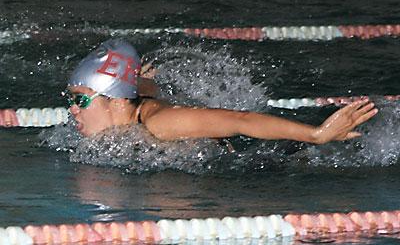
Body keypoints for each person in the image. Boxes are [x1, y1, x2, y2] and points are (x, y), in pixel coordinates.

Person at [65, 39, 378, 145]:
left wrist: (317, 135)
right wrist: (148, 82)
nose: (72, 110)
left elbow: (241, 120)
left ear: (117, 100)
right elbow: (137, 86)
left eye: (80, 100)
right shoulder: (130, 103)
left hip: (265, 156)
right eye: (71, 100)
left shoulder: (160, 124)